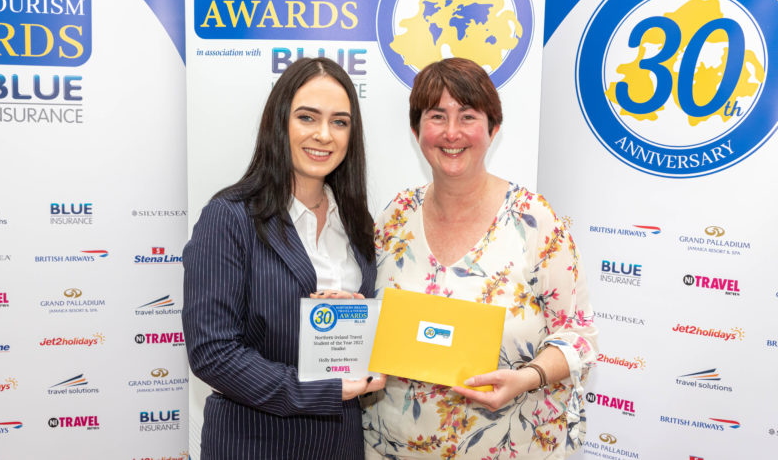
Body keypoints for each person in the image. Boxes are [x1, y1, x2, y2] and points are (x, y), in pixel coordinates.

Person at [363, 58, 598, 460]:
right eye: (437, 116)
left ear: (493, 128)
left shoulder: (534, 220)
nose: (452, 133)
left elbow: (578, 336)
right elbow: (371, 315)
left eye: (467, 116)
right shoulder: (395, 216)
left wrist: (528, 377)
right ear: (417, 130)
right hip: (396, 445)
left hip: (510, 445)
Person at [183, 57, 386, 460]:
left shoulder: (356, 221)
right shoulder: (230, 216)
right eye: (307, 117)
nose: (324, 135)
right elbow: (213, 351)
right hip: (254, 443)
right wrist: (315, 389)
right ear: (280, 123)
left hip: (341, 443)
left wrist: (364, 325)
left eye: (340, 122)